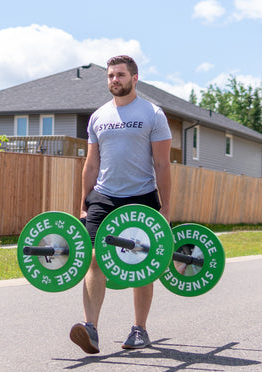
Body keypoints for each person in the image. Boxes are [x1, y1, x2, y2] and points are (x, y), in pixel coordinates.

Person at [69, 55, 172, 354]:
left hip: (141, 195)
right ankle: (91, 329)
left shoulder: (153, 114)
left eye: (121, 75)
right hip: (104, 196)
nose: (115, 80)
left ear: (134, 78)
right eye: (111, 76)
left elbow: (163, 165)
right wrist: (83, 204)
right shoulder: (98, 116)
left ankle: (139, 329)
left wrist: (165, 210)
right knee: (93, 257)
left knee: (144, 264)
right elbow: (90, 164)